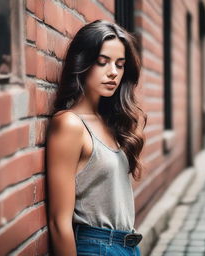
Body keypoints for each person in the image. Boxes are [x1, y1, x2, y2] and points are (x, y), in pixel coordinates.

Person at [46, 19, 147, 256]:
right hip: (97, 247)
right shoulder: (70, 124)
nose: (113, 72)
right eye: (103, 62)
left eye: (120, 65)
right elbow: (58, 223)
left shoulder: (111, 122)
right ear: (83, 63)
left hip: (127, 246)